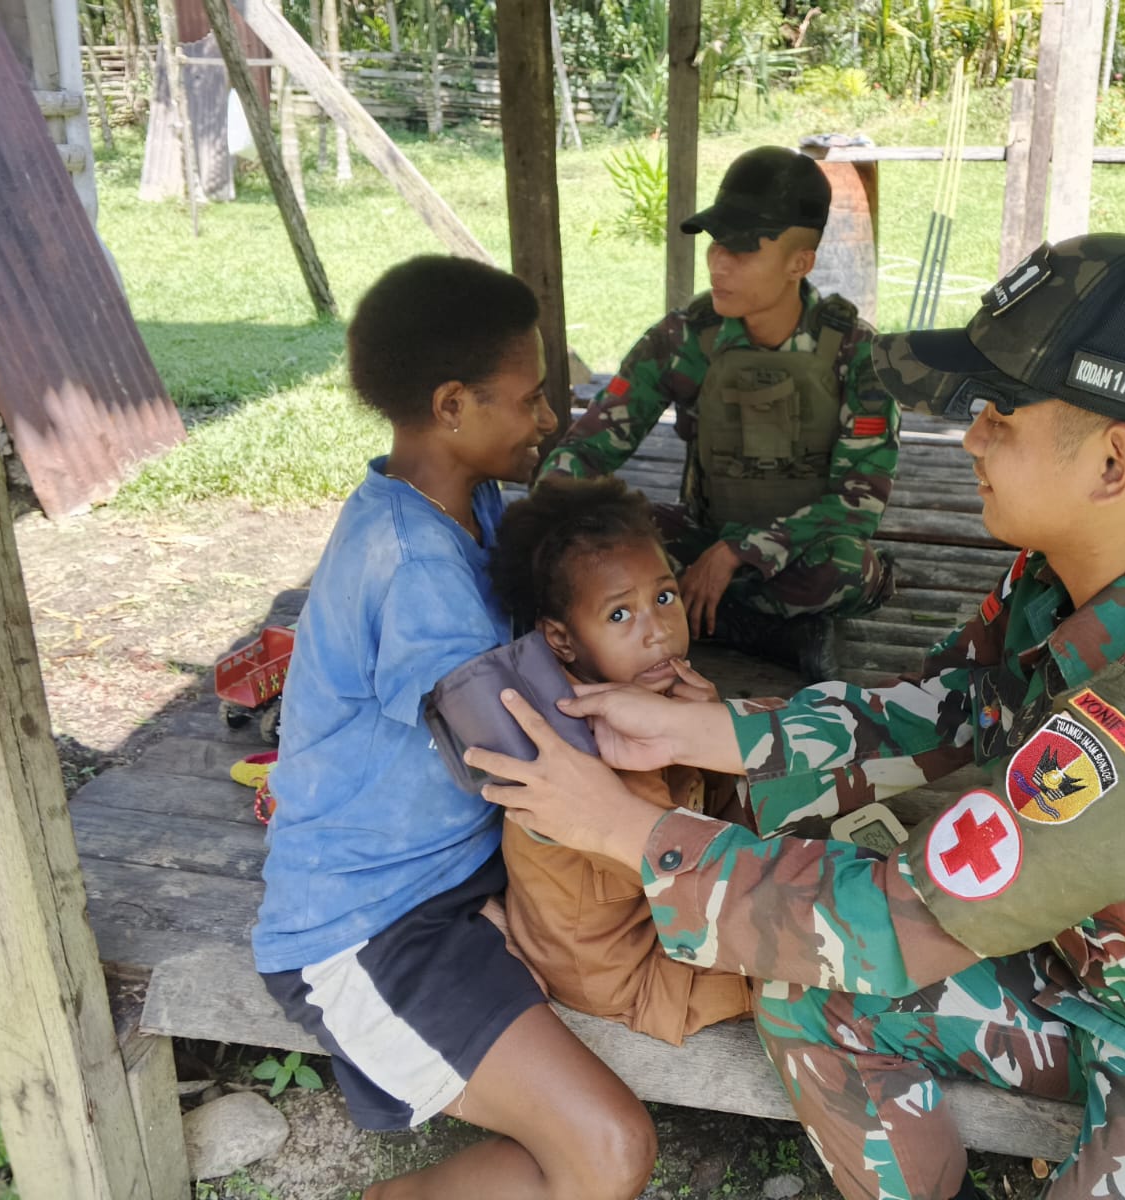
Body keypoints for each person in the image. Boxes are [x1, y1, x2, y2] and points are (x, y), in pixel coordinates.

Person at [465, 234, 1125, 1200]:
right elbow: (952, 704)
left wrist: (625, 830)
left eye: (999, 415)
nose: (971, 439)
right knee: (812, 988)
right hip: (1088, 976)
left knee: (843, 938)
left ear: (1112, 462)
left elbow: (903, 916)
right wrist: (716, 734)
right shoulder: (1092, 569)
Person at [251, 257, 655, 1200]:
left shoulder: (464, 503)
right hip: (369, 924)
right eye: (531, 397)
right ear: (451, 406)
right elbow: (531, 768)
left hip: (453, 875)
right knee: (607, 1152)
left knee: (596, 1150)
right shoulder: (413, 563)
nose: (549, 417)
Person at [538, 145, 901, 684]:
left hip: (802, 550)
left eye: (743, 250)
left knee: (848, 569)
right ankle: (759, 628)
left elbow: (859, 503)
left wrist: (739, 552)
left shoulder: (856, 352)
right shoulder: (685, 338)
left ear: (800, 263)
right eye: (716, 244)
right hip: (700, 535)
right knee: (617, 536)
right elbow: (588, 447)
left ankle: (699, 612)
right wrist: (547, 520)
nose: (718, 264)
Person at [489, 475, 754, 1045]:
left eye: (664, 597)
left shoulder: (646, 691)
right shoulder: (585, 746)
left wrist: (708, 728)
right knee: (806, 972)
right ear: (561, 639)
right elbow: (693, 877)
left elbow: (715, 806)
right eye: (619, 615)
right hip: (632, 972)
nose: (657, 631)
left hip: (664, 917)